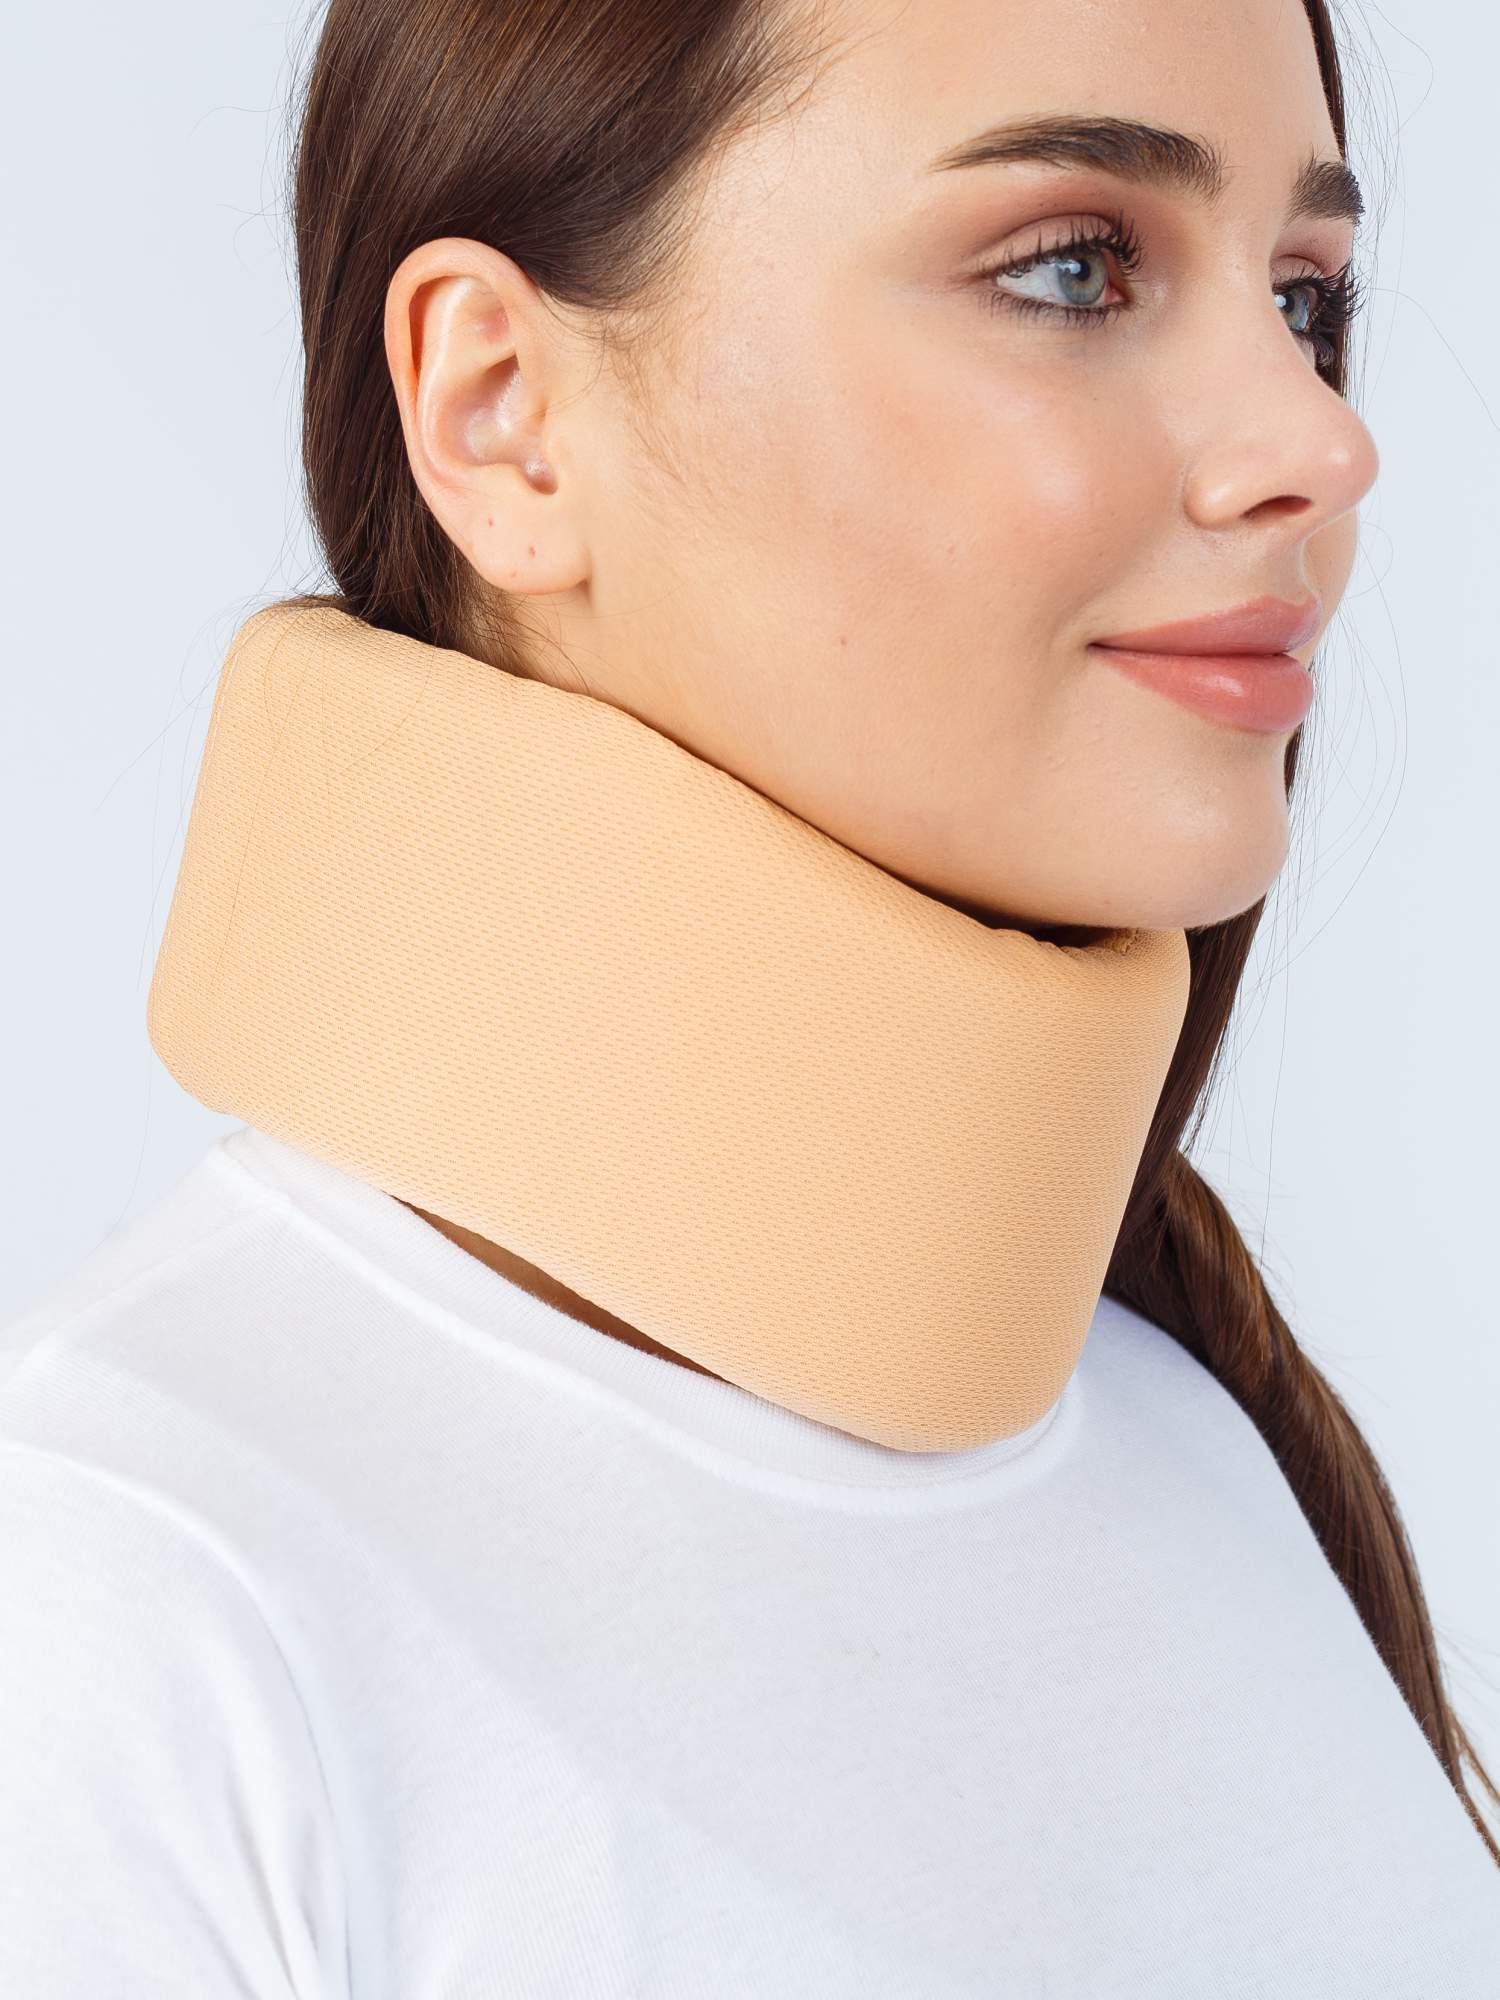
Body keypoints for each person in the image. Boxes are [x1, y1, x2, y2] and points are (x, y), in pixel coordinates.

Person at [3, 0, 1498, 1992]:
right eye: (1075, 268)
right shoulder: (118, 1605)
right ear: (502, 411)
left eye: (1307, 297)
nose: (1323, 441)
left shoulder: (1202, 1444)